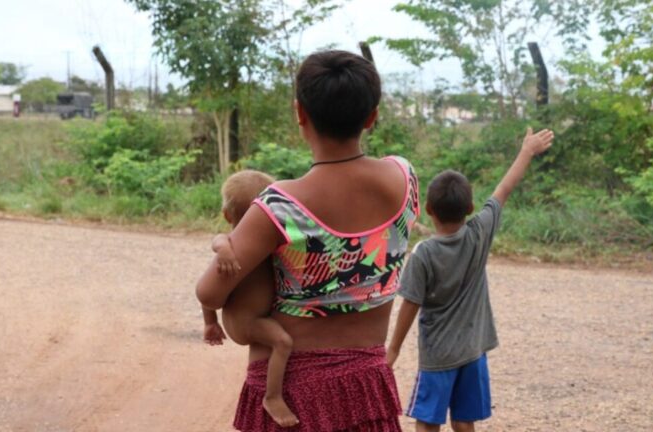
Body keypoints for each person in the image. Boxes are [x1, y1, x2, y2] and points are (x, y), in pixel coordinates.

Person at [196, 50, 420, 431]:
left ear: (300, 113)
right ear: (372, 116)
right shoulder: (404, 178)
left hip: (292, 395)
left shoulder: (280, 207)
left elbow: (211, 292)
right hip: (366, 386)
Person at [386, 127, 554, 432]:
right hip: (474, 351)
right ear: (470, 208)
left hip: (438, 355)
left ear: (429, 210)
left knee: (427, 421)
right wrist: (526, 151)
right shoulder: (479, 233)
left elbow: (410, 303)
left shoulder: (423, 253)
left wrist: (394, 348)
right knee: (465, 421)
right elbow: (504, 189)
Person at [200, 169, 300, 427]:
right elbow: (218, 241)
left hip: (251, 317)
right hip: (245, 322)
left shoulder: (269, 242)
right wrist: (223, 250)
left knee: (282, 340)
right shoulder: (230, 244)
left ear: (226, 213)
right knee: (283, 342)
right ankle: (272, 396)